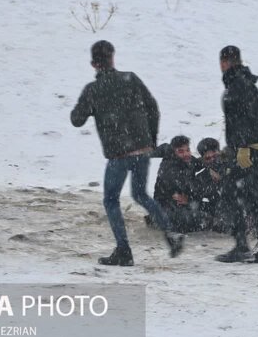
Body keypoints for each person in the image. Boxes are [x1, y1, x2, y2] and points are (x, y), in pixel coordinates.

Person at [71, 40, 184, 267]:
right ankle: (171, 234)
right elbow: (153, 106)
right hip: (142, 150)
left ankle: (124, 251)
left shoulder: (93, 90)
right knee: (141, 194)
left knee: (111, 200)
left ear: (94, 64)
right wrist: (150, 140)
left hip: (119, 154)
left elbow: (76, 120)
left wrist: (90, 106)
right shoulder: (130, 79)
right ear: (112, 58)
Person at [215, 45, 258, 264]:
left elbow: (245, 119)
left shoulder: (238, 86)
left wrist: (241, 147)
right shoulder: (244, 83)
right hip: (252, 147)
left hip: (247, 150)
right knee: (254, 198)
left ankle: (243, 245)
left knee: (231, 194)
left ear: (225, 62)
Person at [153, 135, 210, 233]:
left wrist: (210, 158)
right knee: (195, 220)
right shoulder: (168, 167)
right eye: (181, 151)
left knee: (212, 209)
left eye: (187, 150)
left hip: (184, 203)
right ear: (173, 153)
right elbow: (189, 186)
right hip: (167, 206)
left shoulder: (188, 160)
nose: (186, 154)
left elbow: (198, 163)